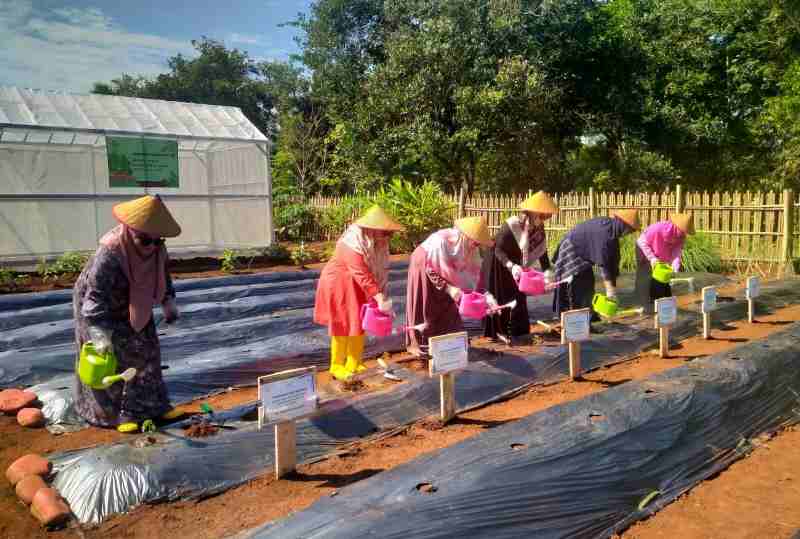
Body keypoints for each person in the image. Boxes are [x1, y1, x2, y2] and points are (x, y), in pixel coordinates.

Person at [73, 195, 182, 433]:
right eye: (145, 240)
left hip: (135, 302)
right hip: (101, 306)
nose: (152, 246)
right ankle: (118, 414)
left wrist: (167, 301)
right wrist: (99, 333)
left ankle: (155, 406)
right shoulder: (111, 252)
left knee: (149, 350)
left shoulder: (156, 248)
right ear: (131, 231)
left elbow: (163, 275)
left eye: (158, 240)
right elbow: (94, 297)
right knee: (114, 358)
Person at [314, 205, 404, 381]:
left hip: (359, 285)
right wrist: (378, 297)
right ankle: (337, 365)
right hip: (338, 284)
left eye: (390, 233)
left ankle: (354, 362)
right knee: (342, 323)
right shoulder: (352, 242)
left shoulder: (377, 243)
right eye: (385, 232)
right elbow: (360, 271)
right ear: (371, 229)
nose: (389, 237)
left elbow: (381, 271)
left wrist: (383, 298)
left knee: (360, 321)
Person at [406, 216, 495, 357]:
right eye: (475, 242)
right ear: (465, 236)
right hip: (423, 264)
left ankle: (450, 339)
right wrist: (449, 288)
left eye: (478, 244)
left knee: (449, 305)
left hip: (446, 275)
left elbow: (475, 275)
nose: (476, 246)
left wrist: (485, 296)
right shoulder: (440, 242)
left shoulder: (470, 248)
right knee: (424, 303)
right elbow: (430, 269)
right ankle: (419, 343)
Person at [482, 191, 558, 344]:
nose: (545, 219)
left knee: (519, 295)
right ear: (533, 212)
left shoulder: (538, 228)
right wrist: (510, 265)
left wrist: (547, 270)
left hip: (517, 264)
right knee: (500, 296)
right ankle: (496, 333)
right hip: (497, 263)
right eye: (543, 215)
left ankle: (519, 332)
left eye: (546, 216)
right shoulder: (512, 224)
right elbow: (498, 249)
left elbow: (542, 251)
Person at [551, 210, 640, 321]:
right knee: (575, 286)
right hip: (572, 249)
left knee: (588, 284)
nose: (628, 233)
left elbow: (613, 261)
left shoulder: (612, 231)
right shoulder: (605, 233)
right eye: (629, 230)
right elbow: (605, 264)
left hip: (584, 253)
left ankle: (588, 318)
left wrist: (613, 285)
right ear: (623, 225)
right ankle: (572, 321)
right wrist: (610, 292)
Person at [635, 213, 695, 313]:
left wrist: (675, 267)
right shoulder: (658, 228)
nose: (684, 233)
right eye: (683, 230)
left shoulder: (681, 236)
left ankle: (664, 304)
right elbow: (641, 242)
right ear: (676, 226)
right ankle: (648, 307)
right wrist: (652, 258)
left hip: (660, 256)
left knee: (663, 277)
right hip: (644, 250)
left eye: (685, 231)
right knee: (648, 278)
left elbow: (676, 252)